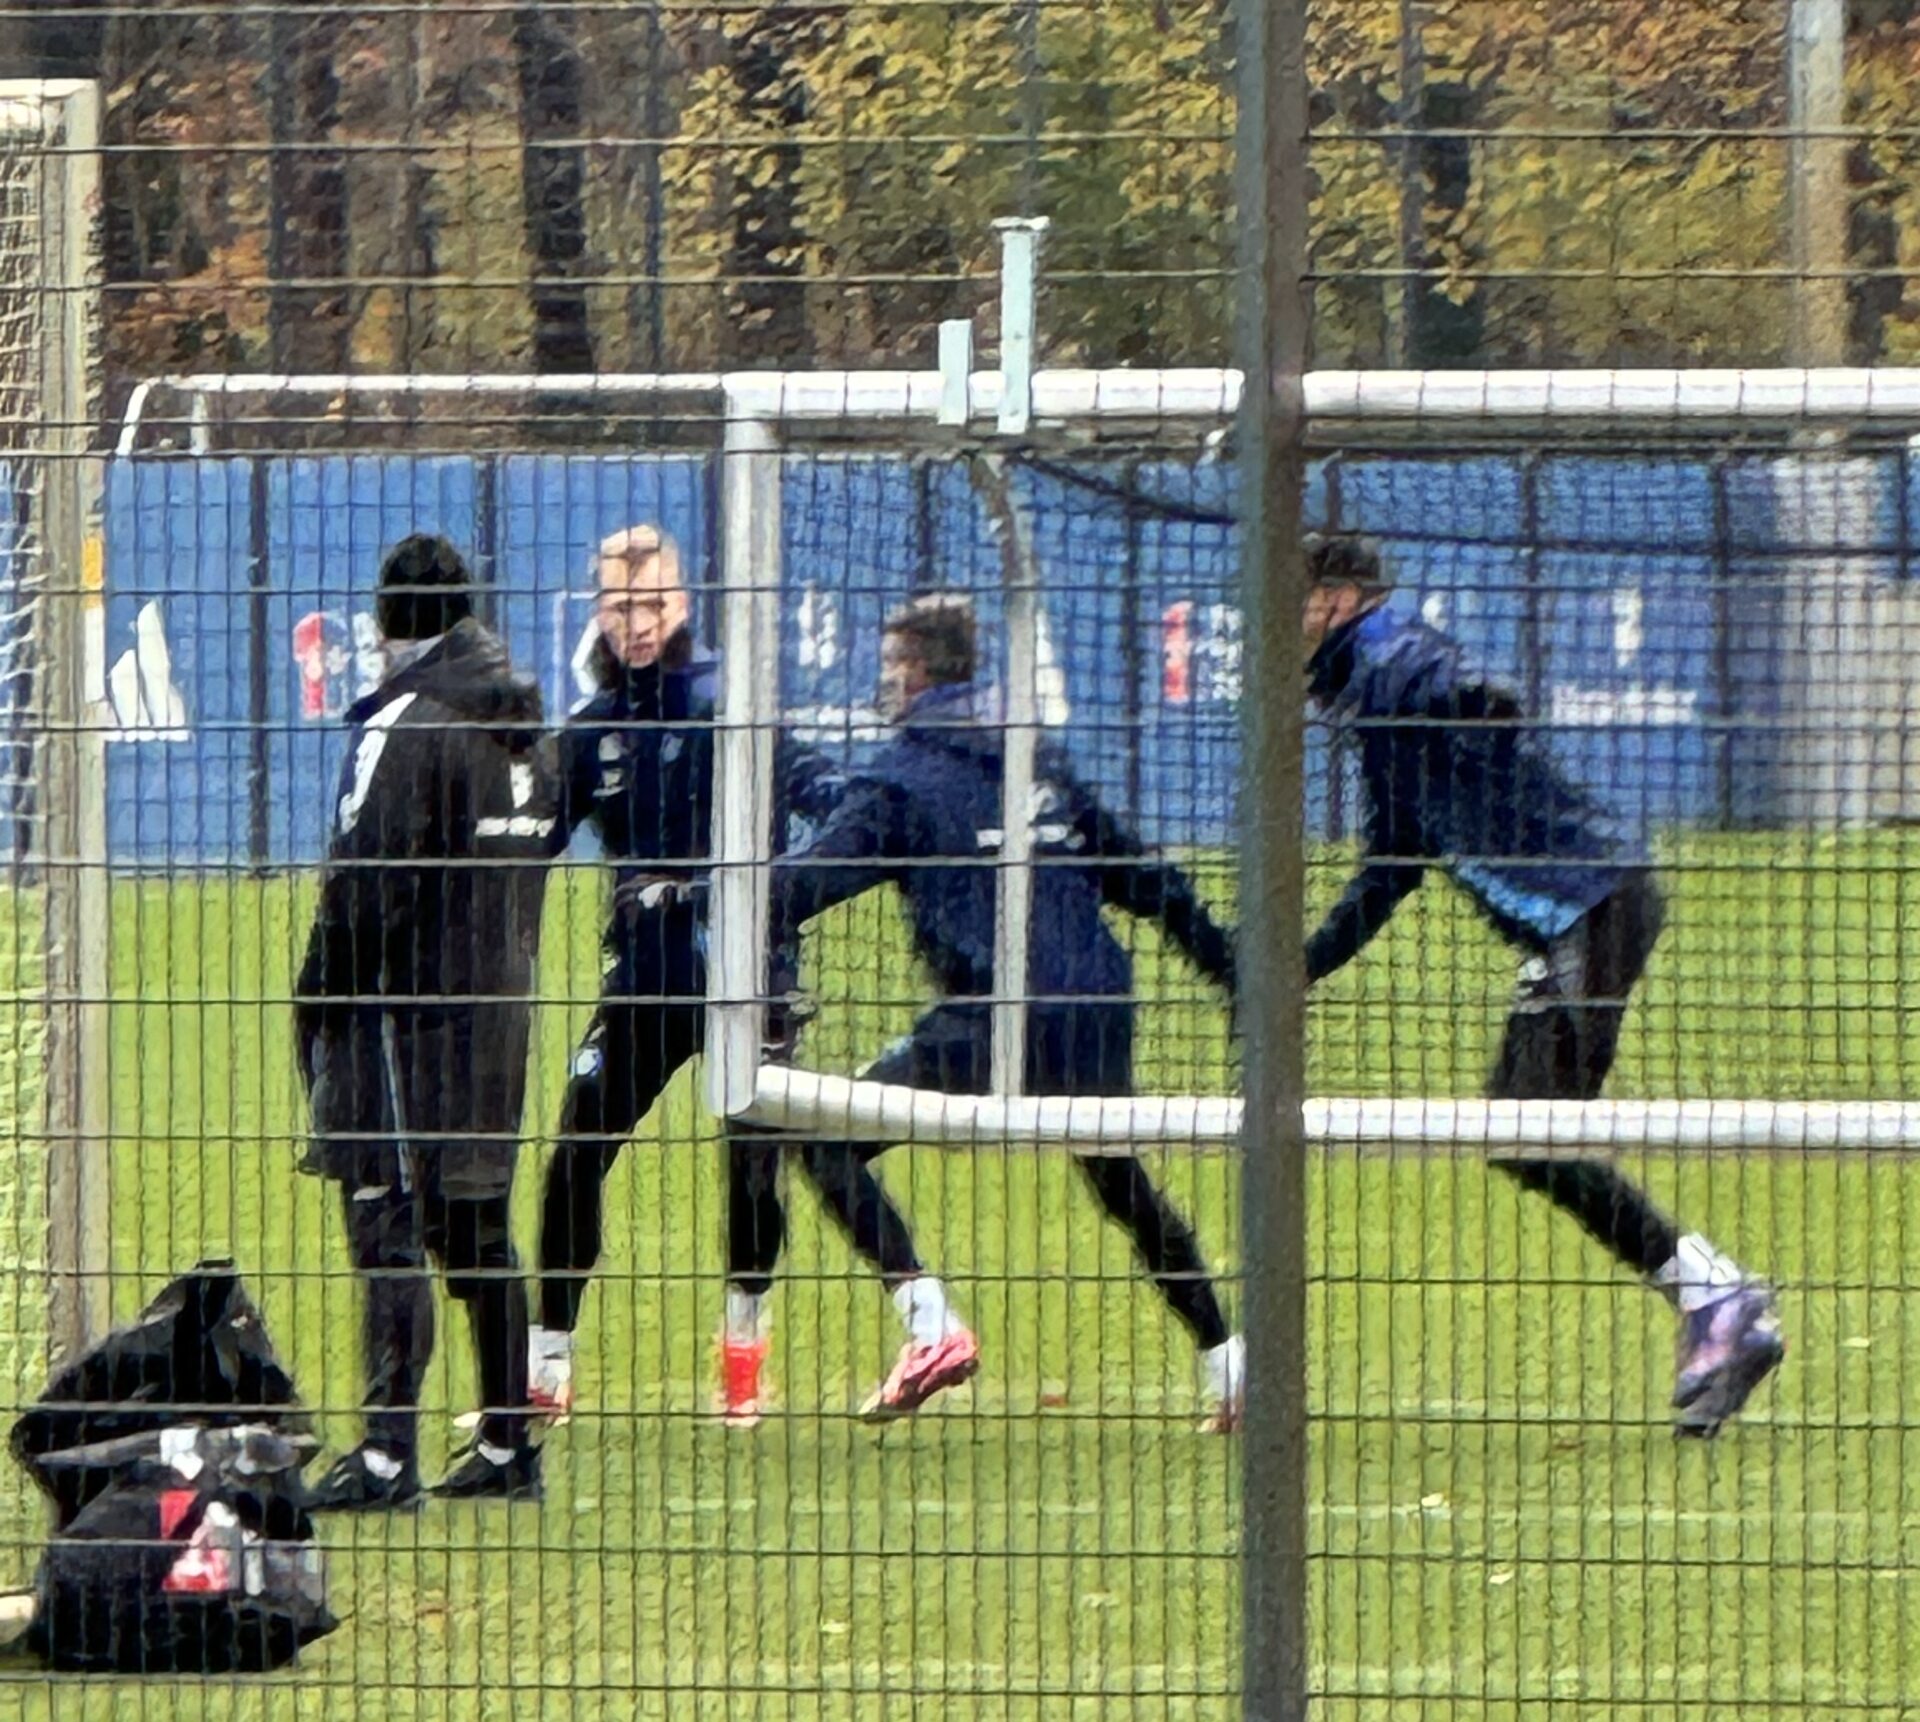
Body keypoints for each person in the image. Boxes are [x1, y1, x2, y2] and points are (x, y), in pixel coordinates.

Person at [1302, 529, 1783, 1438]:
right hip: (1576, 918)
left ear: (1338, 597)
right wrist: (1306, 964)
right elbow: (1393, 861)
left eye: (1290, 602)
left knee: (1530, 1127)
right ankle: (1714, 1301)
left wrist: (1470, 703)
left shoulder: (1390, 658)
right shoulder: (1371, 707)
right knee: (1521, 1132)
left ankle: (1722, 1301)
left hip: (1591, 907)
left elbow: (1449, 683)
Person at [771, 593, 1245, 1427]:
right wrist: (1232, 971)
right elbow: (1145, 879)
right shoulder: (1039, 761)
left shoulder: (902, 777)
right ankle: (1231, 1366)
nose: (885, 686)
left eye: (890, 669)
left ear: (915, 673)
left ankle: (931, 1325)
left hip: (998, 1017)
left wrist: (708, 896)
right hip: (1099, 1005)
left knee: (822, 1138)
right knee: (1118, 1176)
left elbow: (808, 884)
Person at [529, 522, 822, 1429]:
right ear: (599, 612)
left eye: (653, 603)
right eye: (621, 607)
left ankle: (743, 1360)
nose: (638, 623)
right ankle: (546, 1374)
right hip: (642, 983)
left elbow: (814, 791)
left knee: (750, 1170)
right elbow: (533, 837)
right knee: (575, 1156)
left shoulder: (727, 701)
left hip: (742, 977)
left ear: (683, 602)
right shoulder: (592, 729)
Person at [295, 533, 553, 1507]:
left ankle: (387, 1455)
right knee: (478, 1227)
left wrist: (321, 990)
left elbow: (364, 884)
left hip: (406, 1018)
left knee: (387, 1222)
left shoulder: (407, 720)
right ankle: (506, 1446)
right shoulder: (524, 725)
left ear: (389, 623)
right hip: (500, 1012)